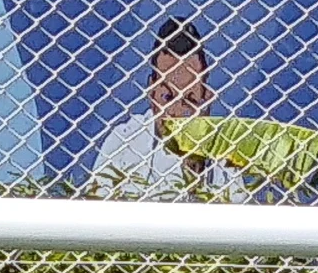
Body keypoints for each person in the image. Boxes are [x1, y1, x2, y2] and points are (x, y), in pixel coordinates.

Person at [86, 20, 224, 200]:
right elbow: (95, 207)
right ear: (152, 91)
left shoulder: (222, 152)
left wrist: (197, 159)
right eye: (167, 97)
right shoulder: (124, 142)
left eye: (190, 100)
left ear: (206, 98)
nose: (175, 112)